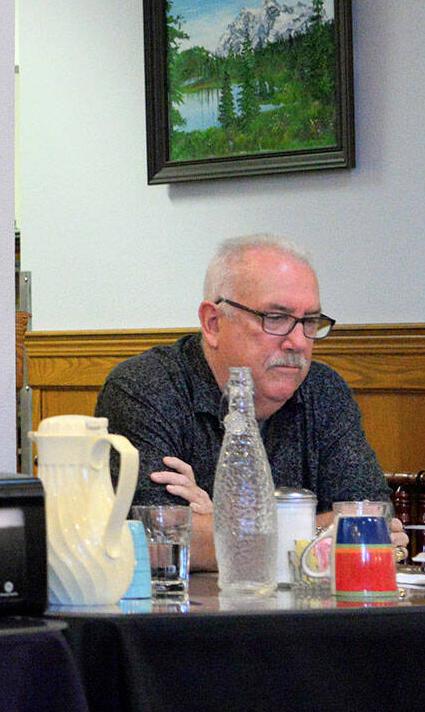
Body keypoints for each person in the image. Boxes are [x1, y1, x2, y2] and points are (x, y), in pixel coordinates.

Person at [94, 233, 401, 571]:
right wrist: (322, 533)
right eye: (276, 318)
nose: (298, 341)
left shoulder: (324, 391)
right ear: (213, 323)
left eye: (310, 321)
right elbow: (156, 538)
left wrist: (220, 521)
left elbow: (375, 523)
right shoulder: (144, 388)